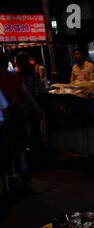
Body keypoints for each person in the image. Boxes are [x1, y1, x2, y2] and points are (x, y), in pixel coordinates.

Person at [0, 52, 41, 195]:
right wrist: (37, 108)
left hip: (5, 117)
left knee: (7, 148)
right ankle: (23, 170)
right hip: (18, 114)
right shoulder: (15, 77)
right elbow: (27, 95)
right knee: (21, 145)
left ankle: (11, 176)